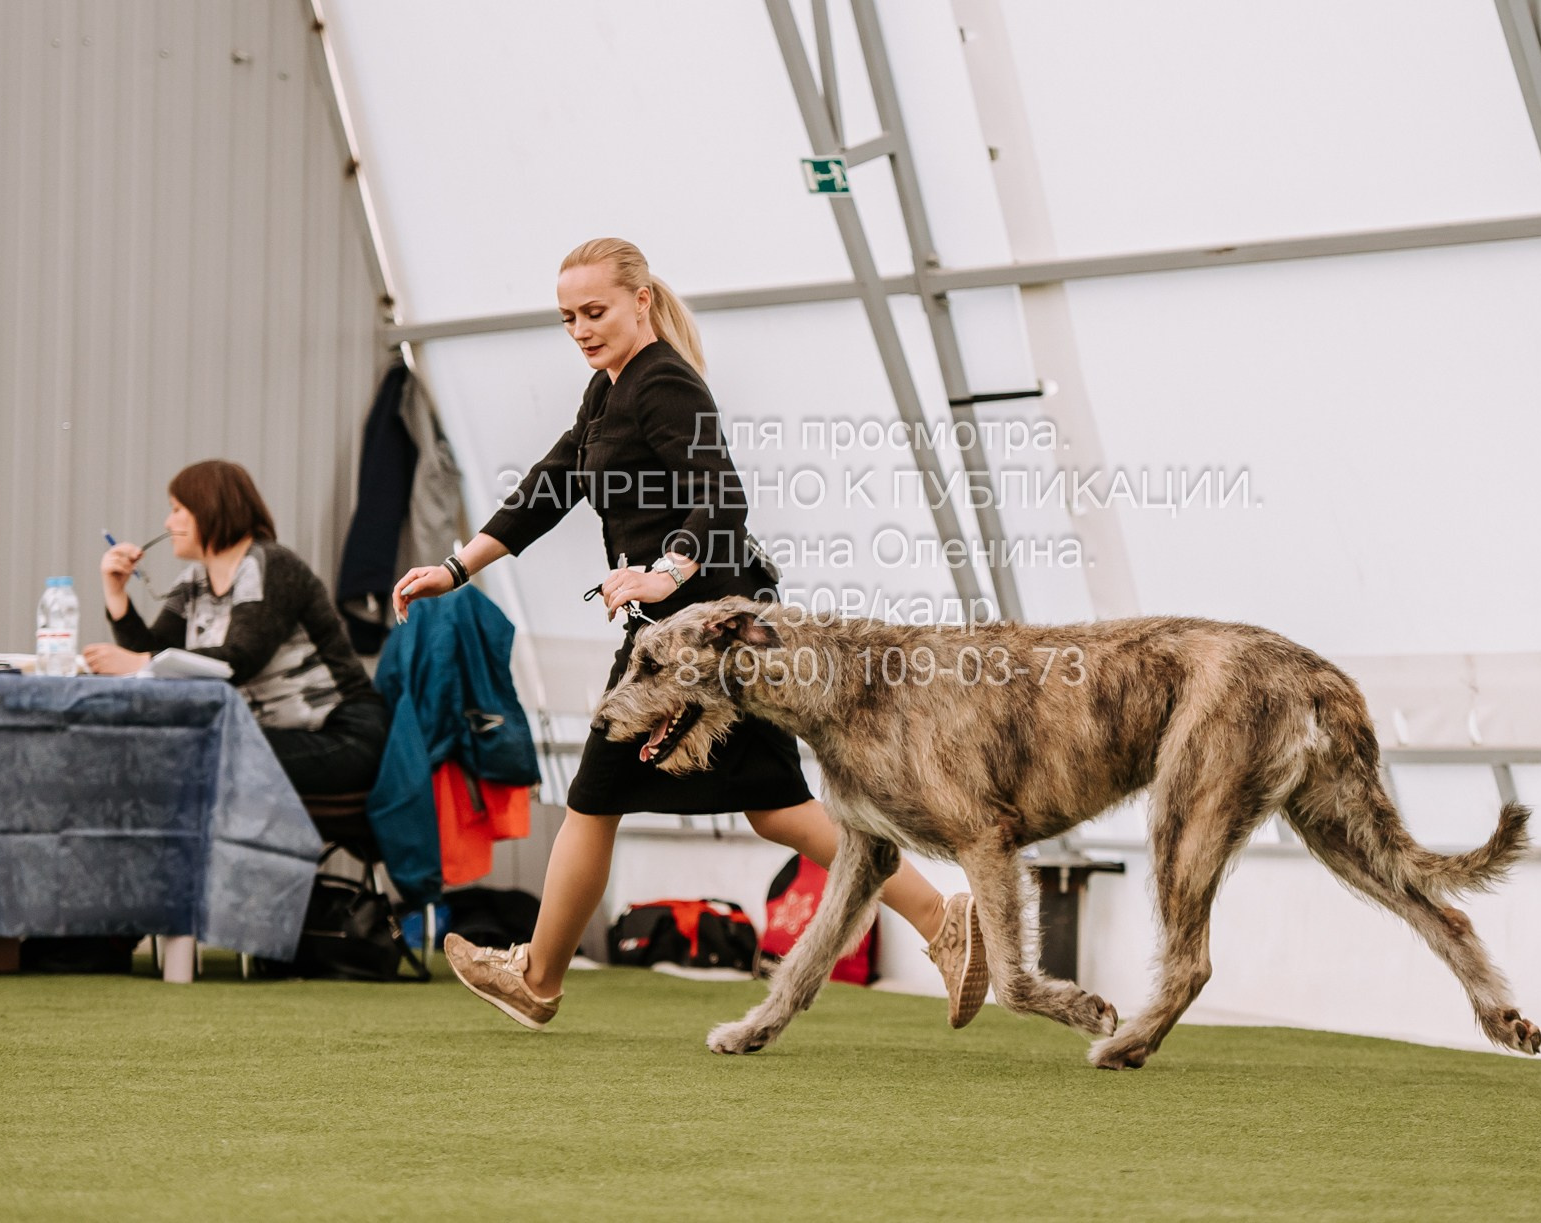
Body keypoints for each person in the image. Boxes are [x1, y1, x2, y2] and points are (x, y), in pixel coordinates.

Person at [393, 237, 989, 1031]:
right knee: (776, 805)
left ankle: (537, 977)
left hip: (701, 641)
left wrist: (664, 575)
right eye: (568, 316)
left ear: (641, 300)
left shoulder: (665, 382)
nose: (581, 328)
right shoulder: (607, 392)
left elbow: (722, 499)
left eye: (595, 311)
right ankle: (944, 920)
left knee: (595, 798)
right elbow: (552, 483)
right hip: (696, 633)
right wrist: (457, 566)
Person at [83, 460, 388, 805]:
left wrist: (140, 663)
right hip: (280, 735)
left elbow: (240, 658)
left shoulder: (271, 564)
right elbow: (155, 650)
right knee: (165, 753)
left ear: (208, 506)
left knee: (191, 758)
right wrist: (116, 595)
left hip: (341, 735)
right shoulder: (194, 582)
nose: (168, 522)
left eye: (176, 509)